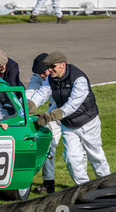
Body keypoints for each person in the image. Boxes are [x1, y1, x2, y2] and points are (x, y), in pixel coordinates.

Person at [28, 51, 110, 185]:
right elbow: (42, 93)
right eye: (49, 67)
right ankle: (84, 187)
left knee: (96, 157)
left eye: (52, 67)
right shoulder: (51, 78)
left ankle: (108, 184)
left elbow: (73, 105)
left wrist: (52, 116)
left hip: (88, 123)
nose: (49, 70)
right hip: (68, 125)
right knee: (72, 159)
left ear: (62, 65)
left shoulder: (79, 79)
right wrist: (30, 105)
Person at [25, 53, 61, 193]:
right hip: (53, 112)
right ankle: (48, 183)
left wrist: (50, 114)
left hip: (68, 111)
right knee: (48, 144)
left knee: (79, 154)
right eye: (38, 74)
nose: (41, 76)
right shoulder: (38, 76)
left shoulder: (60, 75)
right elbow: (30, 95)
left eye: (43, 73)